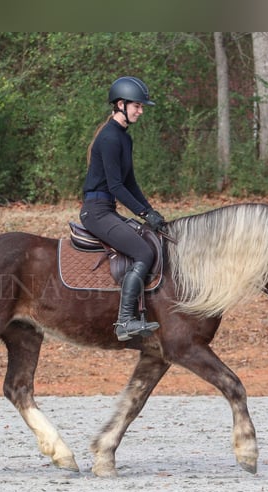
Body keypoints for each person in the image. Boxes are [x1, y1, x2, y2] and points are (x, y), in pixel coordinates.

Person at [80, 76, 167, 341]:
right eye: (137, 106)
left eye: (141, 106)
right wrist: (142, 213)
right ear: (121, 104)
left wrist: (151, 212)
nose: (140, 111)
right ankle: (125, 321)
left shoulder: (123, 138)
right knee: (142, 252)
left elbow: (130, 182)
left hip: (107, 209)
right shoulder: (109, 138)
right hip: (95, 212)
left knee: (149, 241)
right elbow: (116, 186)